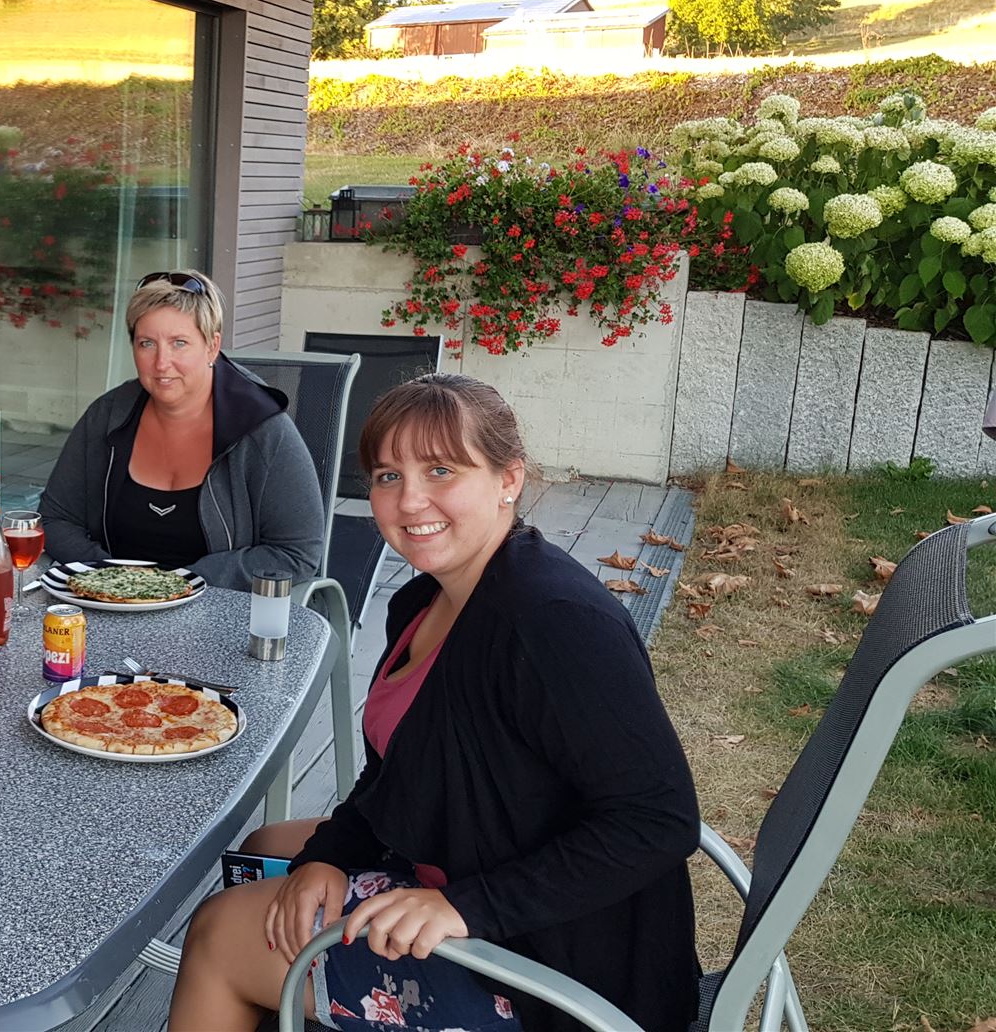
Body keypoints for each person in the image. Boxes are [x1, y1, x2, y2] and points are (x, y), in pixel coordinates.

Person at [169, 373, 700, 1032]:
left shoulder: (552, 622)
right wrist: (327, 856)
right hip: (471, 860)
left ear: (508, 479)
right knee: (270, 849)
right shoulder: (424, 601)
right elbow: (399, 773)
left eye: (441, 470)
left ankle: (248, 988)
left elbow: (659, 821)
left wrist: (464, 907)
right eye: (388, 476)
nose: (410, 499)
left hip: (558, 966)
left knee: (219, 935)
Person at [40, 269, 324, 590]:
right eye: (147, 343)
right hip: (110, 602)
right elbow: (54, 519)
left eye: (179, 343)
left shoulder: (263, 430)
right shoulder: (107, 417)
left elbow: (297, 553)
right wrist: (109, 578)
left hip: (219, 605)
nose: (161, 363)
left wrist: (180, 585)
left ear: (212, 346)